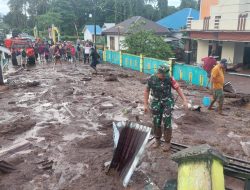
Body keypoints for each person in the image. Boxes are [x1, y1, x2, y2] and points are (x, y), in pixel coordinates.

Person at [144, 65, 188, 152]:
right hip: (156, 102)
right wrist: (145, 104)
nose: (164, 76)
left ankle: (167, 142)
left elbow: (177, 88)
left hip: (167, 101)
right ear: (158, 73)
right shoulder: (151, 79)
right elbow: (146, 91)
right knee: (156, 121)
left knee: (166, 119)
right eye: (163, 75)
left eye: (165, 74)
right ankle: (157, 140)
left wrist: (184, 100)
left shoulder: (169, 78)